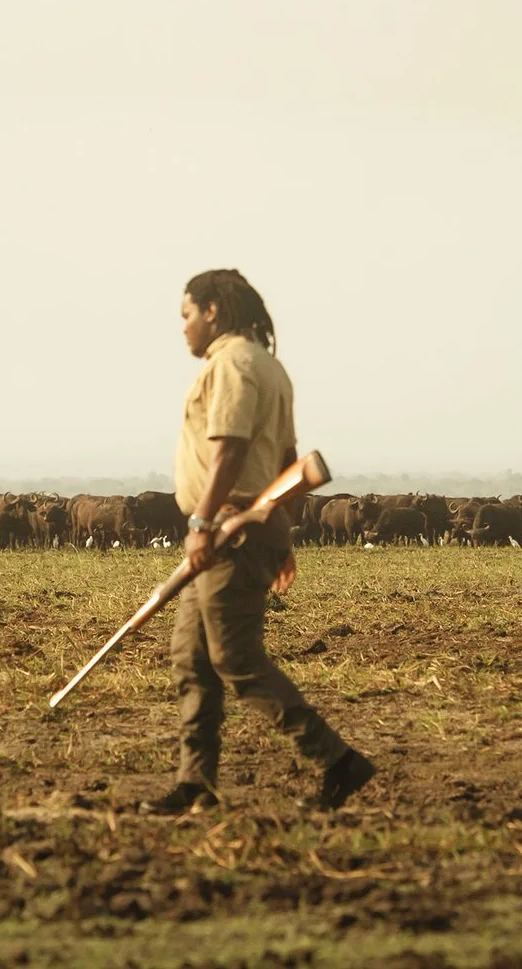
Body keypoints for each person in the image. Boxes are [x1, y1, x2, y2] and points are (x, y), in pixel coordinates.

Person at [150, 268, 374, 816]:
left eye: (185, 315)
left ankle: (337, 760)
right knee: (191, 657)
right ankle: (195, 782)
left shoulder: (231, 364)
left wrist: (202, 525)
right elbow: (285, 461)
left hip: (229, 529)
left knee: (234, 656)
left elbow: (230, 450)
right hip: (249, 526)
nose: (181, 328)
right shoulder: (269, 366)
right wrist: (283, 533)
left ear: (212, 313)